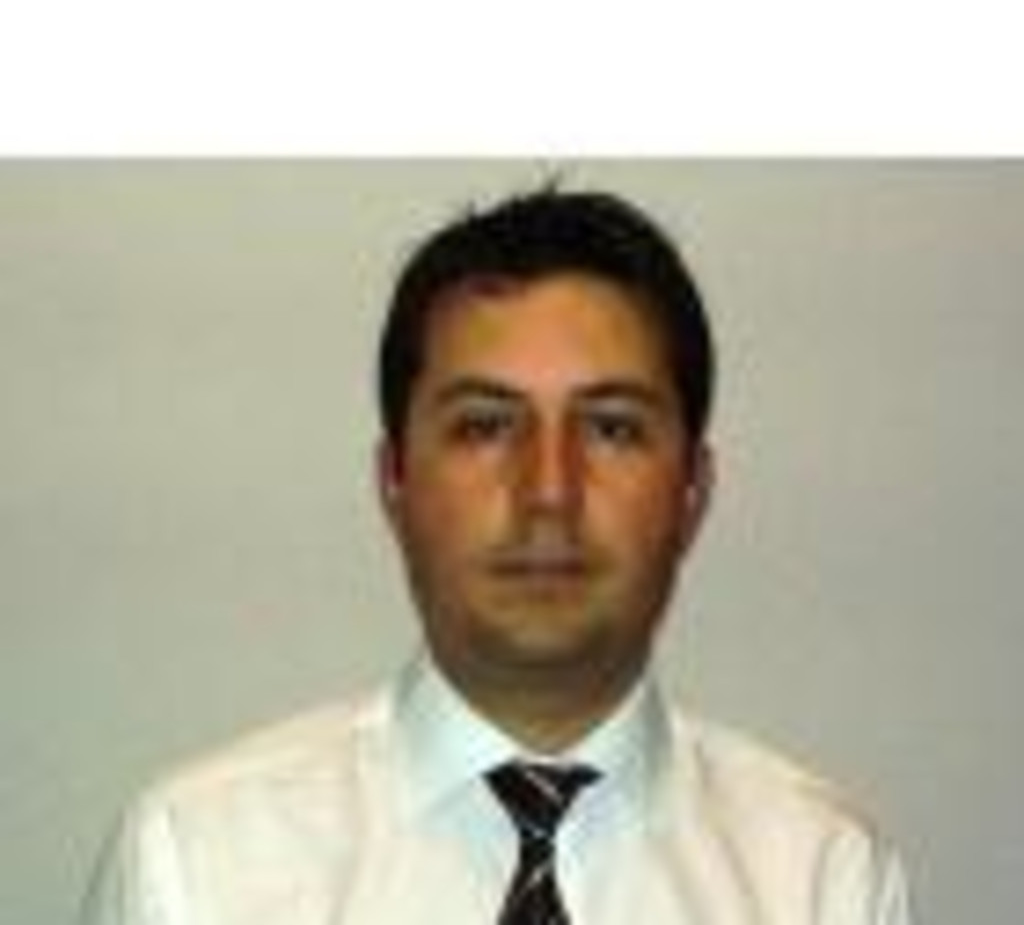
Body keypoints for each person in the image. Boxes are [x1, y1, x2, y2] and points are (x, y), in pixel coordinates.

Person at [82, 187, 912, 924]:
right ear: (395, 480)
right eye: (484, 426)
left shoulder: (824, 876)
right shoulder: (195, 868)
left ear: (692, 488)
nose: (549, 490)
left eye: (612, 427)